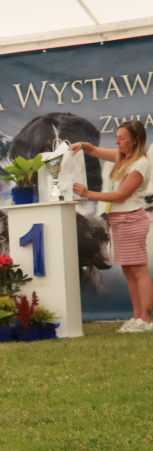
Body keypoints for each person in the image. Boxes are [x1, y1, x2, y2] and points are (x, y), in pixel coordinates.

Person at [72, 121, 153, 332]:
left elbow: (120, 195)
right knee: (129, 270)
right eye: (116, 137)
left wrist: (87, 194)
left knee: (139, 270)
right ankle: (137, 318)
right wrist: (83, 146)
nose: (116, 142)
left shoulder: (140, 164)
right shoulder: (124, 158)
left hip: (132, 221)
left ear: (135, 140)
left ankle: (146, 319)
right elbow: (98, 152)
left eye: (121, 138)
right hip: (120, 222)